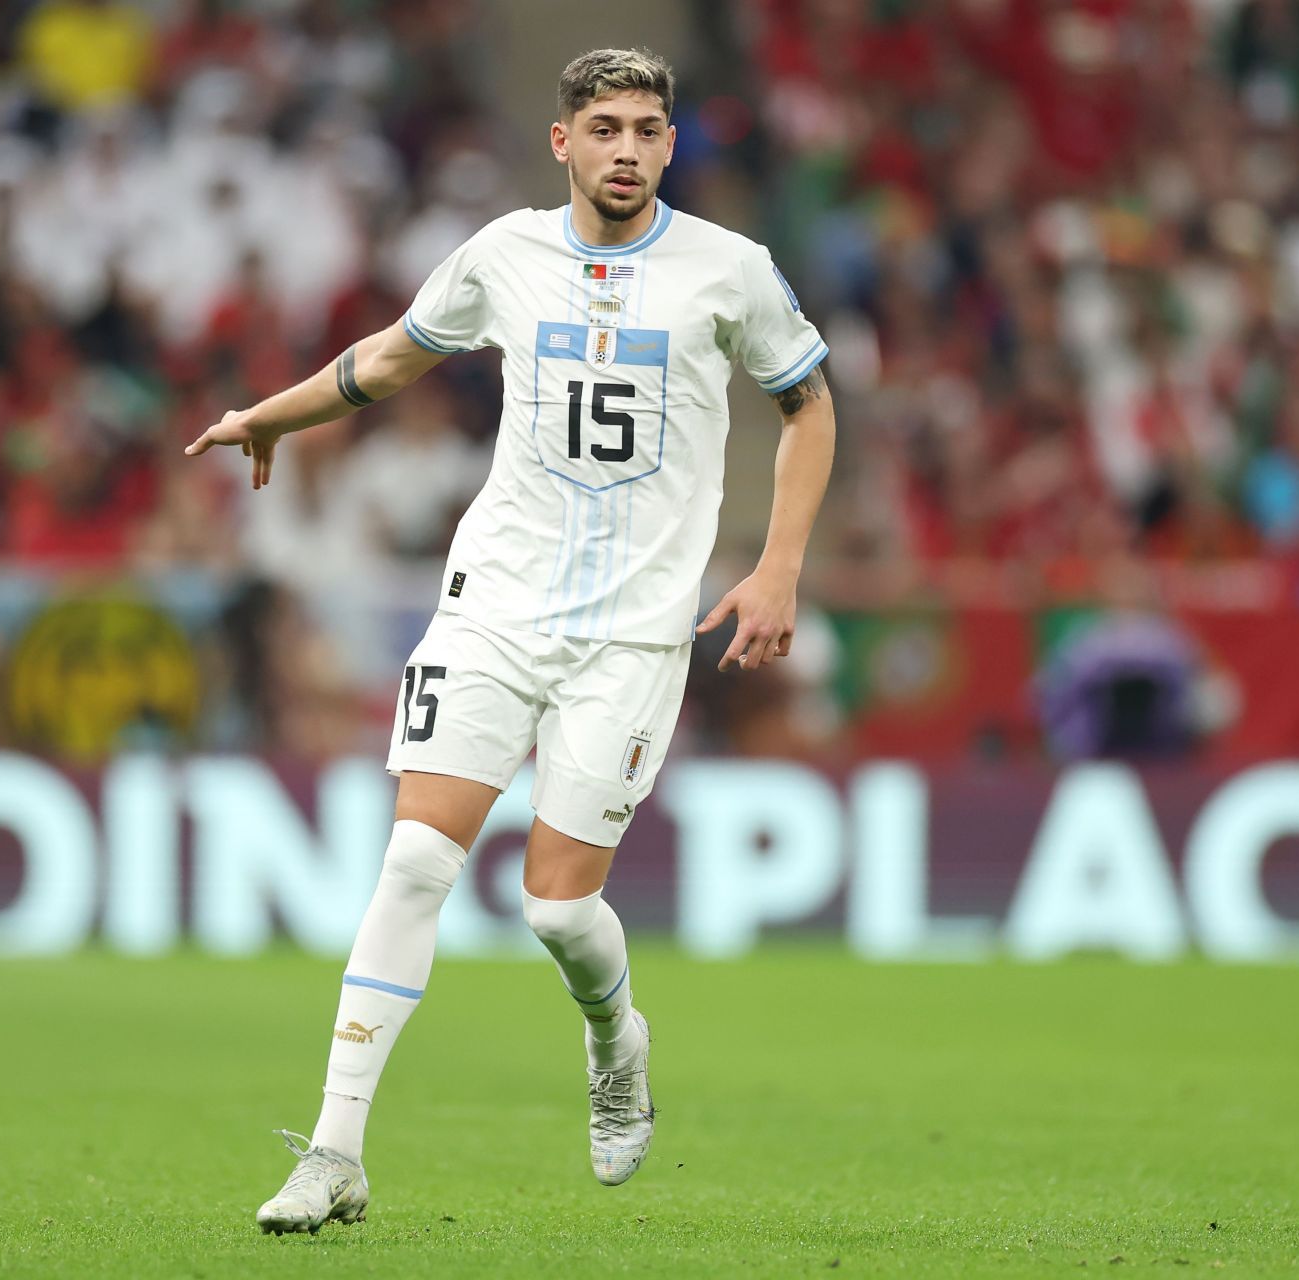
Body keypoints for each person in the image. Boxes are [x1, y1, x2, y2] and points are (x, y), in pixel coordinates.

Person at [185, 46, 836, 1235]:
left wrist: (778, 562)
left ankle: (615, 1038)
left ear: (670, 144)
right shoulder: (505, 253)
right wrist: (269, 414)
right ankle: (334, 1148)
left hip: (635, 634)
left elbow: (808, 401)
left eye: (647, 129)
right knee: (417, 862)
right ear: (563, 142)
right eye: (605, 129)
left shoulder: (729, 271)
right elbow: (390, 357)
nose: (626, 149)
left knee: (554, 913)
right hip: (494, 602)